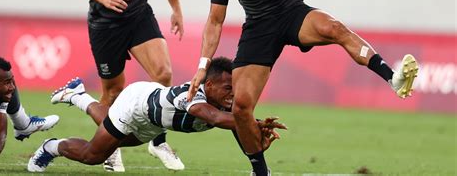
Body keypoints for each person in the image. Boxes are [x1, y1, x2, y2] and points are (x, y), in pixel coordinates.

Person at [188, 0, 419, 175]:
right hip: (259, 29)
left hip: (293, 13)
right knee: (241, 107)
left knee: (335, 28)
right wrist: (202, 65)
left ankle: (393, 78)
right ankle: (260, 170)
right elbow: (215, 21)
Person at [68, 0, 184, 171]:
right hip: (106, 24)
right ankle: (109, 147)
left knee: (163, 74)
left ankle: (158, 141)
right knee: (113, 91)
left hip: (139, 16)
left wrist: (176, 8)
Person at [27, 57, 286, 173]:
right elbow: (218, 120)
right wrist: (255, 124)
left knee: (112, 134)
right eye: (228, 88)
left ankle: (78, 95)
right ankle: (52, 146)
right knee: (94, 155)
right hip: (134, 106)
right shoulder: (192, 95)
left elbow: (237, 126)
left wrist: (259, 167)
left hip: (152, 125)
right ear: (209, 86)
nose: (233, 94)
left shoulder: (229, 105)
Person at [0, 56, 59, 172]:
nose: (12, 87)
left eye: (12, 81)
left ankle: (24, 124)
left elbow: (0, 134)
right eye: (7, 83)